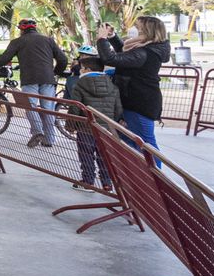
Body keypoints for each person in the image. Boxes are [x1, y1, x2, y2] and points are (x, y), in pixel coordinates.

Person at [96, 16, 172, 150]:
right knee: (131, 141)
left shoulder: (145, 52)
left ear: (147, 31)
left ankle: (153, 171)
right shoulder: (146, 49)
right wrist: (112, 36)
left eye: (138, 28)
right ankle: (138, 171)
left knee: (146, 145)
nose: (133, 30)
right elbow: (124, 56)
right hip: (135, 101)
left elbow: (111, 58)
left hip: (140, 103)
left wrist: (101, 39)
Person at [0, 19, 68, 149]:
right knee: (48, 108)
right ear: (35, 28)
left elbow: (5, 58)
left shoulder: (17, 42)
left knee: (31, 106)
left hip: (29, 78)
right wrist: (55, 72)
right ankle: (49, 140)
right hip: (48, 79)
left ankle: (37, 132)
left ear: (21, 30)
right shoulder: (48, 40)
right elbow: (63, 59)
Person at [66, 45, 123, 190]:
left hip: (86, 127)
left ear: (88, 70)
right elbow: (117, 108)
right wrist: (114, 123)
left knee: (86, 154)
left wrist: (71, 125)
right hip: (105, 128)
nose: (81, 70)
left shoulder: (80, 84)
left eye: (83, 68)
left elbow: (75, 106)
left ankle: (88, 181)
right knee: (104, 155)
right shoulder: (112, 85)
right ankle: (106, 182)